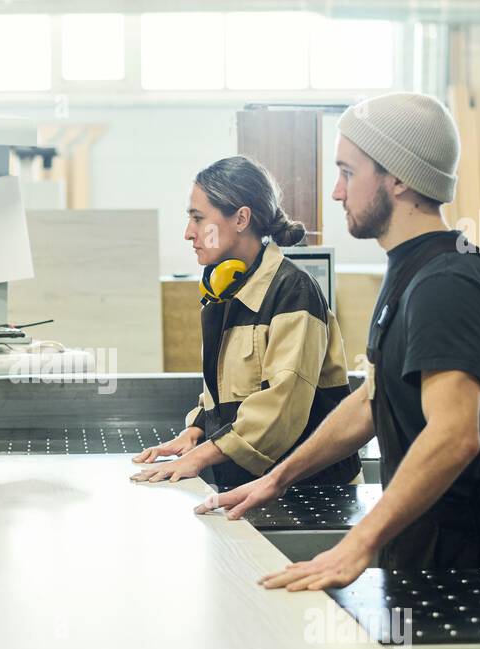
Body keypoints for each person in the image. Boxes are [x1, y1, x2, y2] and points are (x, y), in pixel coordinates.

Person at [197, 93, 480, 590]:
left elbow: (455, 434)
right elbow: (375, 400)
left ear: (397, 177)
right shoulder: (410, 272)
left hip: (462, 564)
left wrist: (359, 542)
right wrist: (276, 479)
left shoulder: (447, 284)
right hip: (417, 549)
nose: (335, 192)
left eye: (347, 172)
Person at [132, 155, 360, 491]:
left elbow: (280, 411)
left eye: (198, 218)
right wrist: (196, 428)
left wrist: (201, 456)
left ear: (241, 218)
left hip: (308, 488)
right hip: (252, 485)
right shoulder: (225, 288)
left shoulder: (293, 293)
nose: (188, 233)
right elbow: (227, 385)